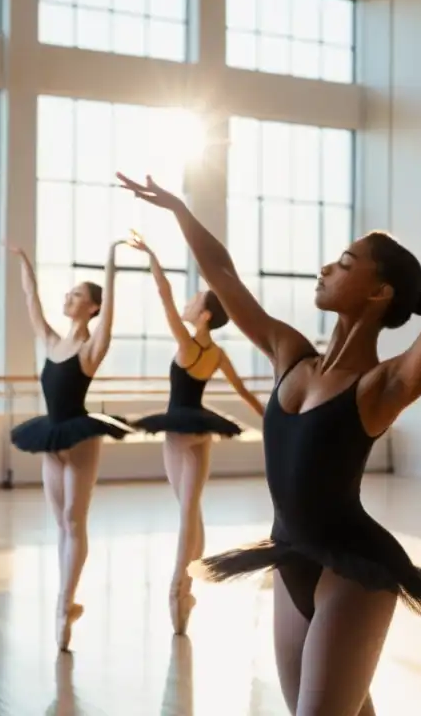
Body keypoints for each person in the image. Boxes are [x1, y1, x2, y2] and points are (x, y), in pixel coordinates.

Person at [117, 171, 421, 716]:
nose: (326, 268)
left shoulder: (383, 385)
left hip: (354, 573)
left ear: (378, 292)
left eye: (344, 263)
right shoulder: (288, 352)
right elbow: (222, 272)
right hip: (289, 557)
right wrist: (180, 209)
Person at [125, 230, 265, 635]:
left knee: (187, 510)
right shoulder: (217, 354)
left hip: (178, 430)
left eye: (195, 300)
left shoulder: (186, 346)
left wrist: (152, 252)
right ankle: (188, 585)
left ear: (204, 315)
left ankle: (176, 586)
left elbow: (164, 294)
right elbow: (244, 393)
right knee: (192, 509)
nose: (187, 304)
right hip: (202, 429)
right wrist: (272, 418)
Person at [6, 238, 133, 652]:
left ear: (92, 307)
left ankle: (64, 606)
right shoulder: (51, 341)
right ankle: (68, 601)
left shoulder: (90, 348)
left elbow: (111, 308)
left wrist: (112, 258)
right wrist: (25, 258)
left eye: (77, 294)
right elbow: (31, 298)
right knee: (61, 524)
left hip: (79, 438)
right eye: (70, 292)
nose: (69, 297)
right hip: (51, 438)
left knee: (75, 522)